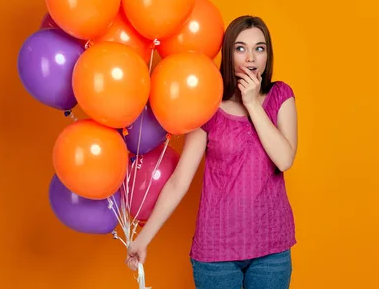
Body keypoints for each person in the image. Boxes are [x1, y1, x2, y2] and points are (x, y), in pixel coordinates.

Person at [125, 15, 299, 289]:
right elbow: (180, 180)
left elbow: (284, 159)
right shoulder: (208, 104)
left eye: (259, 48)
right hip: (217, 252)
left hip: (271, 249)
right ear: (228, 54)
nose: (251, 57)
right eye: (240, 48)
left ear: (268, 55)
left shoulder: (281, 96)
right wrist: (143, 239)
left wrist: (252, 104)